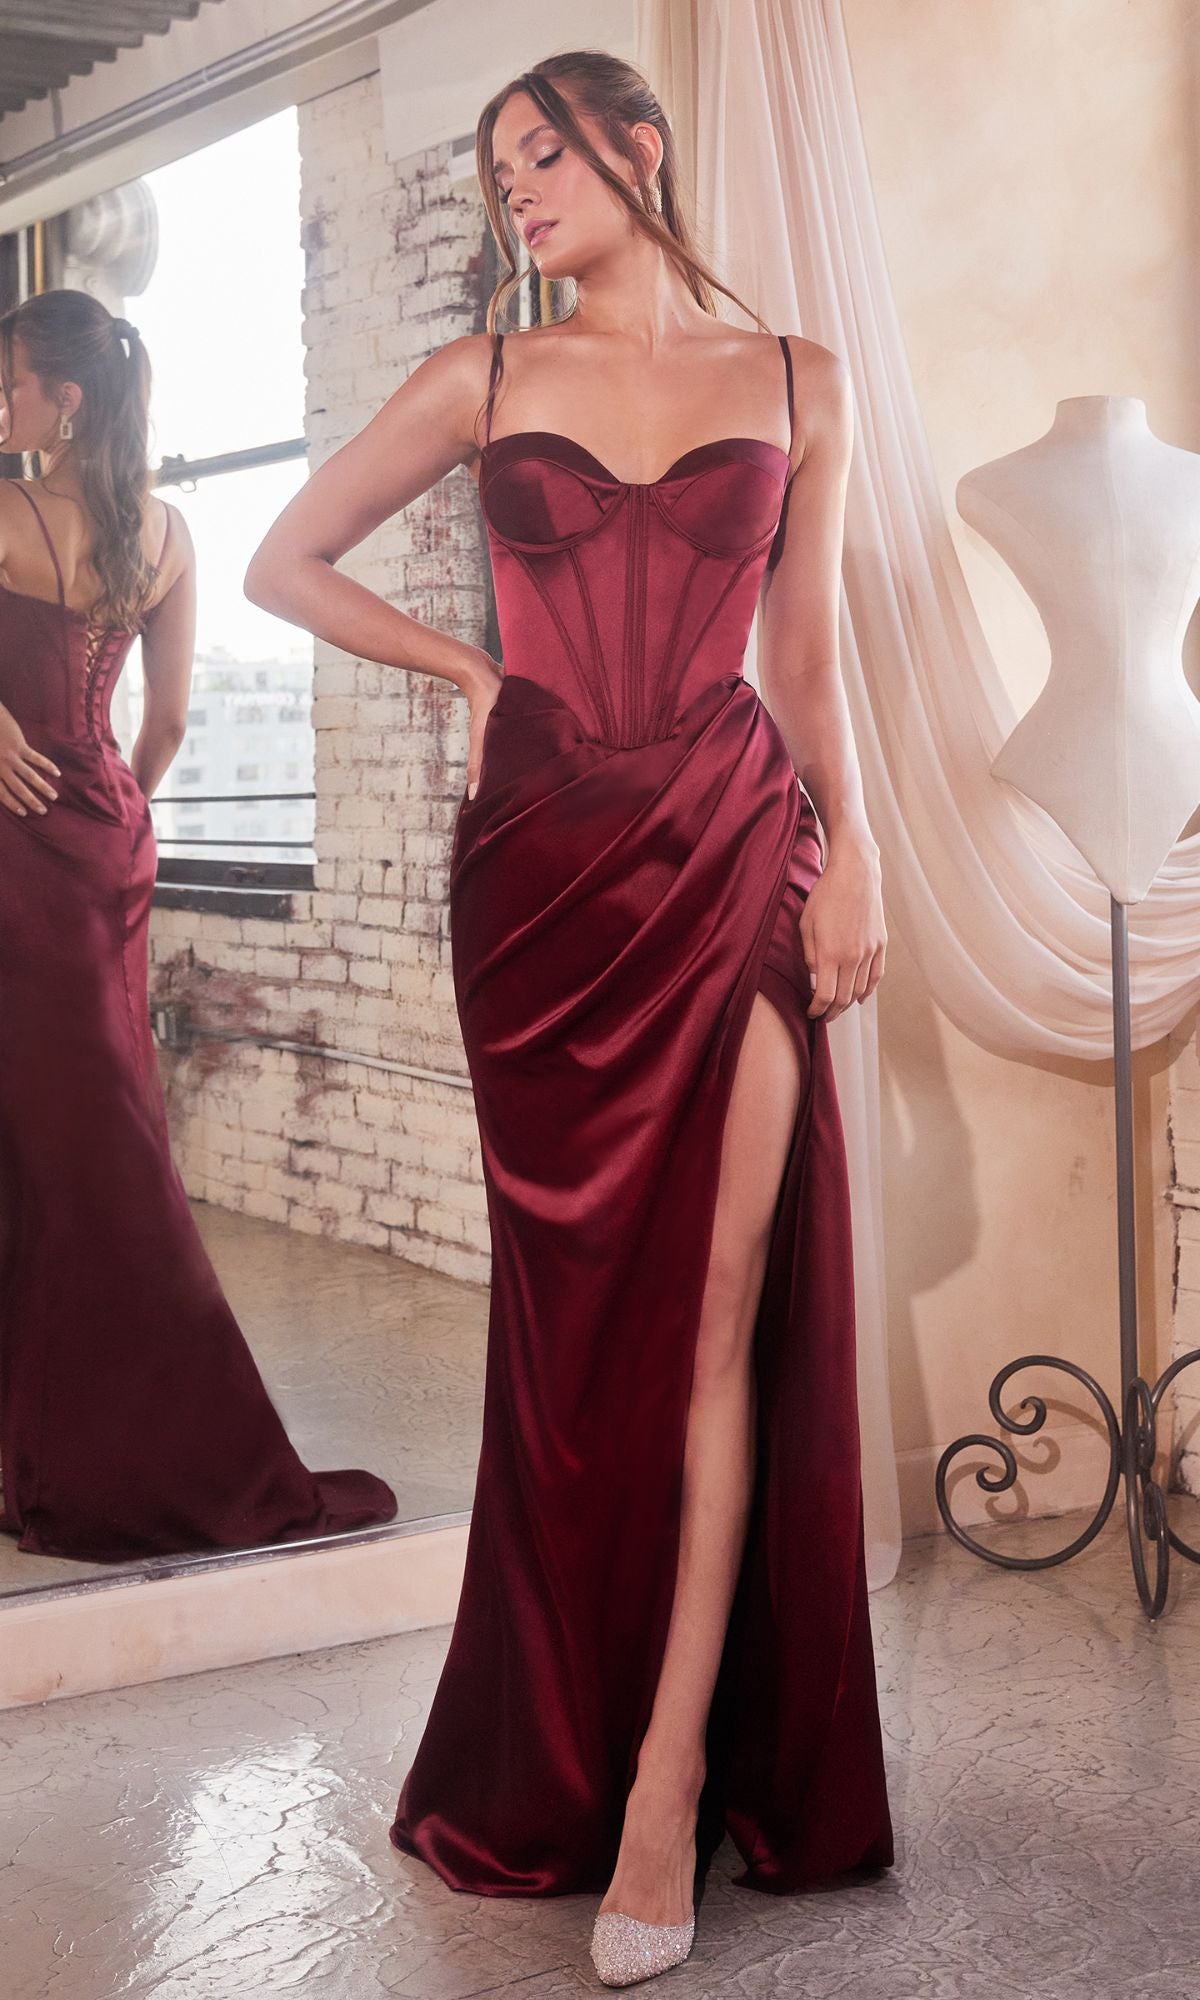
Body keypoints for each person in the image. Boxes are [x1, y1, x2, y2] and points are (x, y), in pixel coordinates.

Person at [245, 49, 893, 1990]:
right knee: (571, 1331)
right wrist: (469, 673)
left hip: (735, 857)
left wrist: (851, 851)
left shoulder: (798, 377)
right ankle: (565, 1726)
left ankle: (671, 1774)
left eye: (544, 151)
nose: (517, 189)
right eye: (496, 164)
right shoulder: (485, 379)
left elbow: (806, 647)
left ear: (642, 146)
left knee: (713, 1316)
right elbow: (288, 559)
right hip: (535, 887)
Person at [0, 288, 397, 1562]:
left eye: (10, 382)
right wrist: (105, 811)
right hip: (107, 833)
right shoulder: (167, 534)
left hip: (14, 846)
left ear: (62, 402)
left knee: (59, 1153)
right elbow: (163, 727)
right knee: (96, 1137)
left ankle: (108, 1450)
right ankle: (69, 1438)